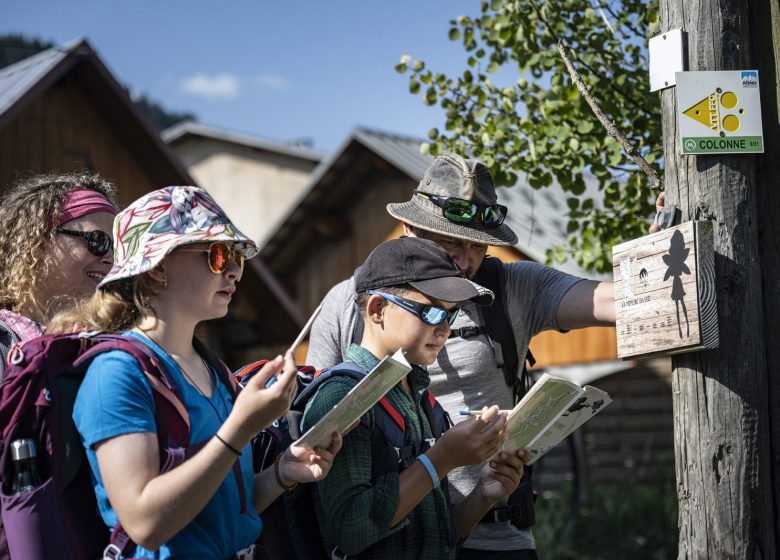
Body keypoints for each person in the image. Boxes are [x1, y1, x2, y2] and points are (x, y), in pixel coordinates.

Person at [306, 153, 617, 559]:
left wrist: (657, 252)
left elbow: (615, 301)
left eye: (478, 246)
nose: (465, 260)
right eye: (451, 241)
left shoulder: (511, 288)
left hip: (493, 534)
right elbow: (319, 446)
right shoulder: (350, 302)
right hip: (388, 541)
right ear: (409, 228)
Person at [50, 186, 342, 559]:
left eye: (237, 256)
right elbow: (145, 524)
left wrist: (282, 473)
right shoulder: (116, 373)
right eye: (218, 255)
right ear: (157, 269)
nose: (236, 270)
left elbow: (216, 507)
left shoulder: (211, 368)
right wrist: (241, 427)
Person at [301, 236, 530, 558]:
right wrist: (440, 459)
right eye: (432, 313)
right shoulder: (343, 396)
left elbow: (440, 538)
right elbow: (351, 529)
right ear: (378, 309)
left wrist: (483, 495)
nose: (445, 329)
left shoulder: (420, 395)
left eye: (451, 316)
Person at [0, 172, 119, 377]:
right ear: (35, 242)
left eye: (118, 248)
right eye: (97, 240)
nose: (111, 259)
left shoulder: (121, 350)